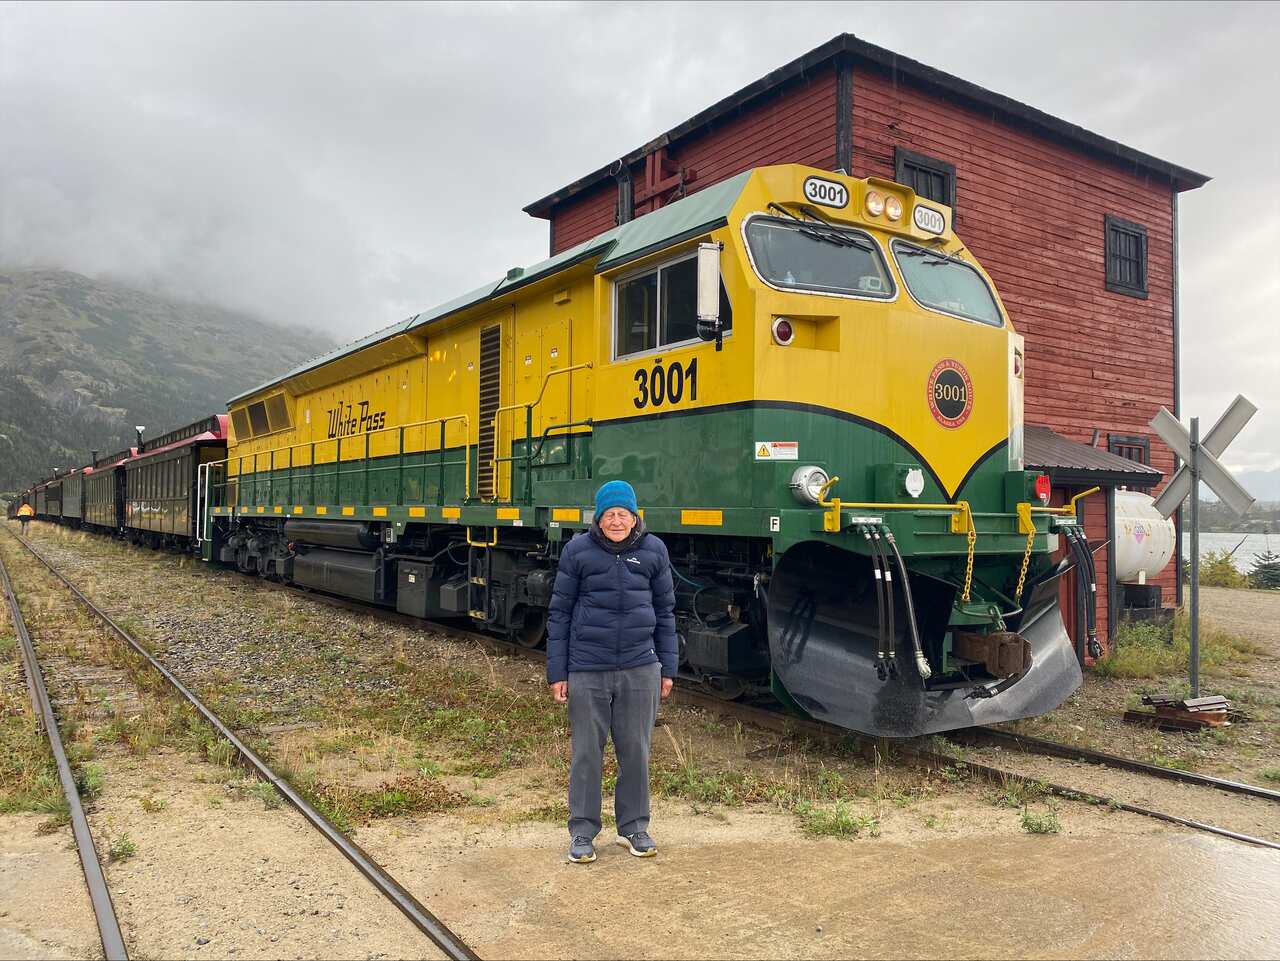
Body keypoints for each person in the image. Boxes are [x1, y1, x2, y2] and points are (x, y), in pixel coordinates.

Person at [547, 480, 677, 863]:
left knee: (636, 750)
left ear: (635, 517)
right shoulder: (577, 551)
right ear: (598, 518)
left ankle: (634, 827)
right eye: (610, 514)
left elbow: (667, 613)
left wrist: (667, 668)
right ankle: (582, 832)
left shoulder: (654, 551)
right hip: (588, 667)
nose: (617, 520)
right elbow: (560, 613)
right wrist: (558, 672)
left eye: (623, 514)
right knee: (587, 752)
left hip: (640, 667)